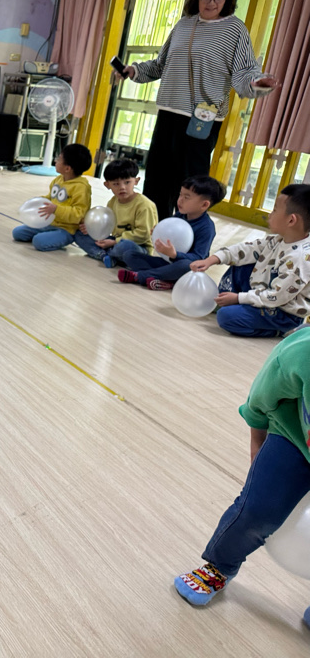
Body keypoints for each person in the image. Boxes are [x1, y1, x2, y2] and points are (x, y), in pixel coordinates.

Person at [173, 325, 310, 633]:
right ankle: (220, 565)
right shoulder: (303, 352)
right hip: (294, 437)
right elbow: (262, 396)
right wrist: (257, 441)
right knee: (258, 511)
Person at [117, 0, 277, 221]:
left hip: (202, 117)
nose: (211, 3)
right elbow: (161, 64)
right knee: (158, 175)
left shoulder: (234, 29)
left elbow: (244, 71)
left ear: (227, 0)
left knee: (191, 182)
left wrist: (257, 83)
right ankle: (153, 228)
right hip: (169, 111)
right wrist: (134, 70)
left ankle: (185, 233)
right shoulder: (184, 25)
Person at [190, 184, 310, 337]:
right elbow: (246, 249)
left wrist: (239, 298)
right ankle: (224, 299)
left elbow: (277, 297)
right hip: (263, 294)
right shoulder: (278, 239)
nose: (270, 215)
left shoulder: (300, 259)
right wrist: (213, 259)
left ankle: (280, 330)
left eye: (274, 210)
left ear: (291, 220)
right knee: (241, 261)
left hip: (282, 312)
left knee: (226, 317)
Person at [118, 175, 224, 290]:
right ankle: (164, 279)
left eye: (186, 197)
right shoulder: (180, 215)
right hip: (168, 262)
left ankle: (140, 276)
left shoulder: (207, 228)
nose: (180, 200)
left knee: (185, 266)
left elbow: (198, 259)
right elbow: (169, 233)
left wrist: (175, 255)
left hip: (187, 268)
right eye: (180, 194)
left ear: (204, 205)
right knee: (130, 255)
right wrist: (158, 232)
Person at [74, 158, 157, 266]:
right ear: (107, 185)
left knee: (125, 246)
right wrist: (91, 229)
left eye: (127, 182)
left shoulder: (144, 205)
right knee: (79, 234)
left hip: (139, 247)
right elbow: (108, 226)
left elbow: (143, 235)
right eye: (116, 184)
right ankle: (106, 256)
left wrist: (115, 242)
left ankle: (107, 254)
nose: (122, 187)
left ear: (136, 181)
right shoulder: (112, 202)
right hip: (115, 241)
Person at [12, 143, 92, 252]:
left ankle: (58, 238)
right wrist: (38, 200)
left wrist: (56, 209)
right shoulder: (58, 179)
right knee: (17, 233)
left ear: (67, 168)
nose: (55, 161)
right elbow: (51, 198)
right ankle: (47, 235)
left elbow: (79, 213)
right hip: (49, 223)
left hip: (66, 230)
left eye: (59, 159)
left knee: (38, 242)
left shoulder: (81, 187)